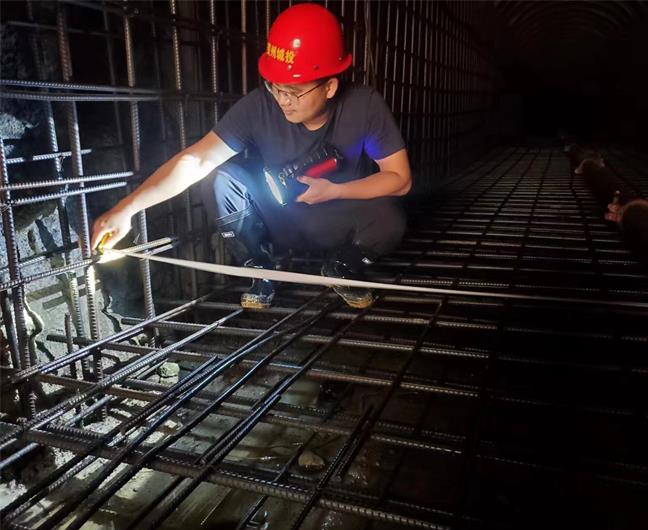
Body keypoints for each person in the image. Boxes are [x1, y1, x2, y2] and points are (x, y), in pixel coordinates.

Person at [91, 3, 411, 309]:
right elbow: (197, 160)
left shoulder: (364, 105)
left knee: (390, 217)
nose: (283, 100)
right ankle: (259, 268)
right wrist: (127, 208)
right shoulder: (258, 106)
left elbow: (400, 179)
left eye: (294, 92)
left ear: (329, 87)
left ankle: (343, 267)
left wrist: (336, 190)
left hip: (337, 222)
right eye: (275, 87)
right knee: (219, 178)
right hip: (280, 218)